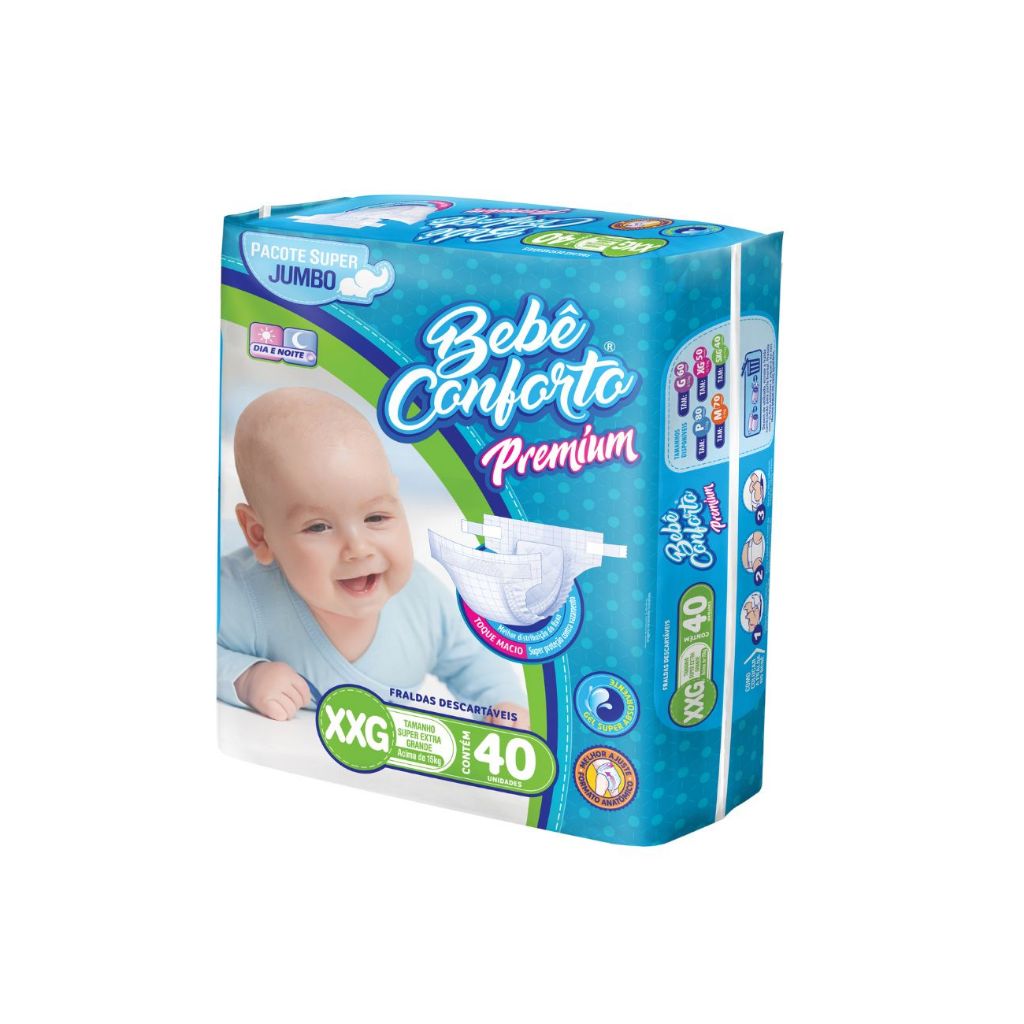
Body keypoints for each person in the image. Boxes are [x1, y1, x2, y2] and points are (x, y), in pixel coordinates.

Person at [218, 387, 528, 727]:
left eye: (376, 517)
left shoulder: (424, 603)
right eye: (319, 527)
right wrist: (245, 676)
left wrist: (505, 706)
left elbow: (475, 661)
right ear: (260, 536)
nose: (358, 548)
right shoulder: (242, 597)